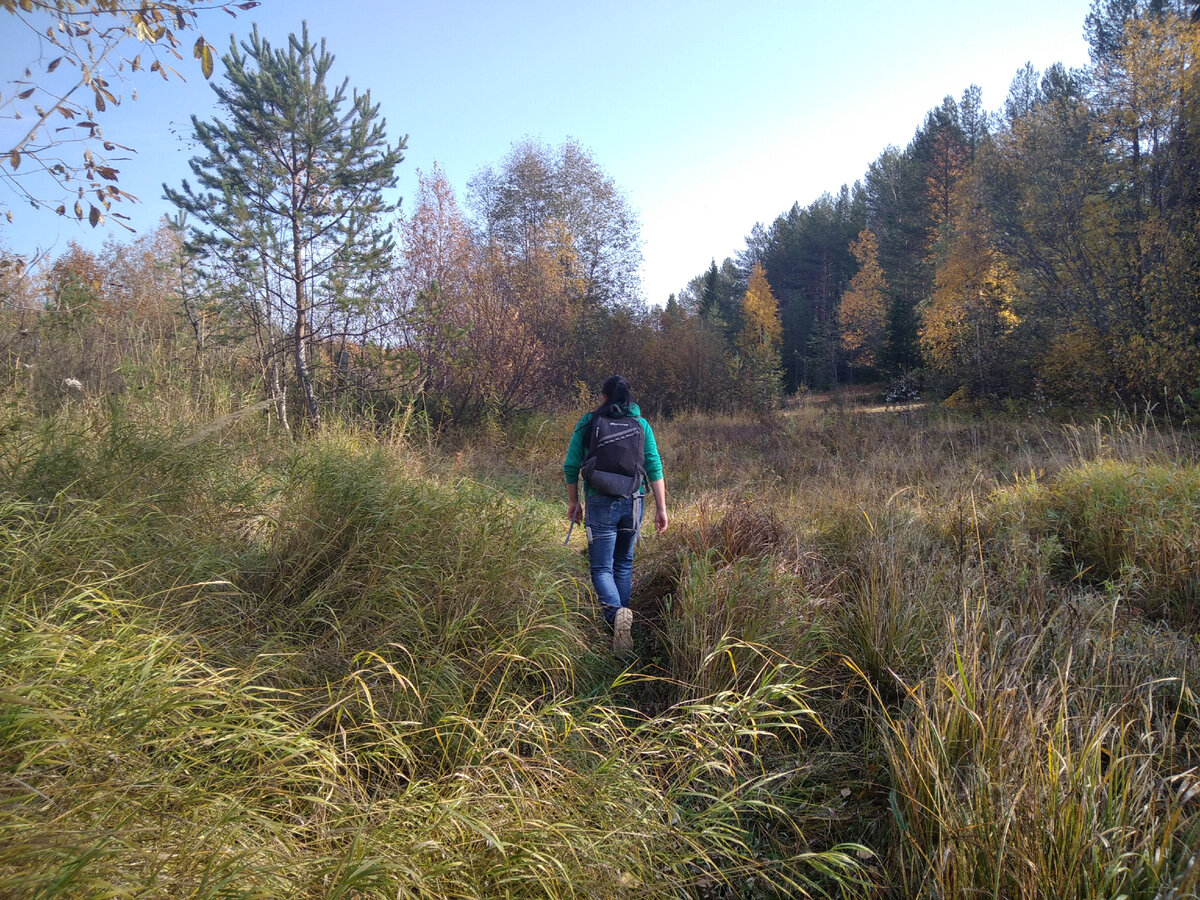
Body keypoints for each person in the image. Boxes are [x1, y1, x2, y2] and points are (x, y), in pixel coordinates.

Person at [563, 375, 668, 653]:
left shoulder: (588, 423)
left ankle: (615, 618)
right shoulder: (641, 424)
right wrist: (661, 508)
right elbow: (654, 466)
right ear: (629, 399)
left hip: (600, 502)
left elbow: (571, 465)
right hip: (634, 502)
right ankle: (624, 623)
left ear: (603, 397)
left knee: (601, 568)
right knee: (623, 564)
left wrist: (574, 502)